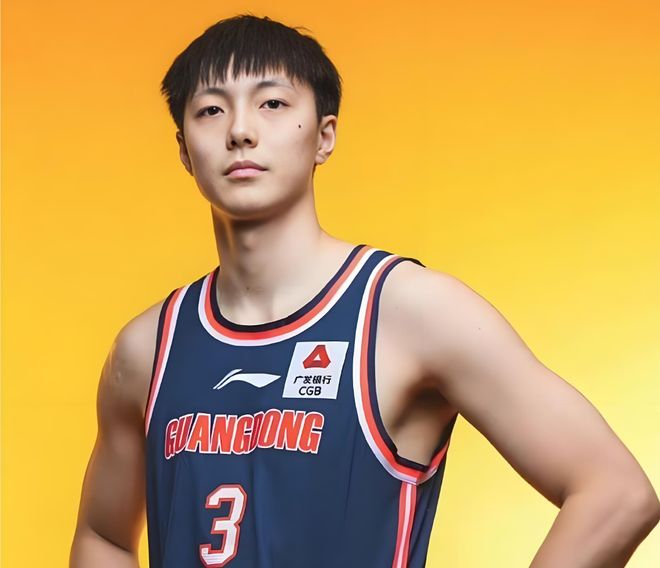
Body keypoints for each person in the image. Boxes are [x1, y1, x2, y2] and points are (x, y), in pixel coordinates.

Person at [70, 13, 659, 568]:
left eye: (272, 103)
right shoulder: (148, 348)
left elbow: (615, 494)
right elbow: (103, 535)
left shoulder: (409, 313)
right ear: (183, 150)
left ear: (324, 136)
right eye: (210, 110)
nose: (241, 131)